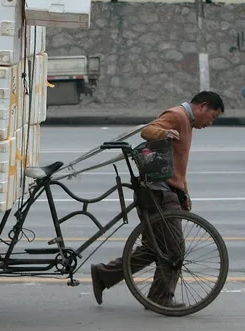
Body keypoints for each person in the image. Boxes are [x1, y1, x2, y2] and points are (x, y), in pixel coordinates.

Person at [90, 91, 225, 308]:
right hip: (159, 192)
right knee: (174, 250)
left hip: (164, 190)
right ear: (203, 106)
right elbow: (148, 130)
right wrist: (164, 133)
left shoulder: (187, 122)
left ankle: (104, 274)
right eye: (213, 116)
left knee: (153, 248)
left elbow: (178, 166)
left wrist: (184, 194)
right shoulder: (178, 116)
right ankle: (160, 297)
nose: (211, 123)